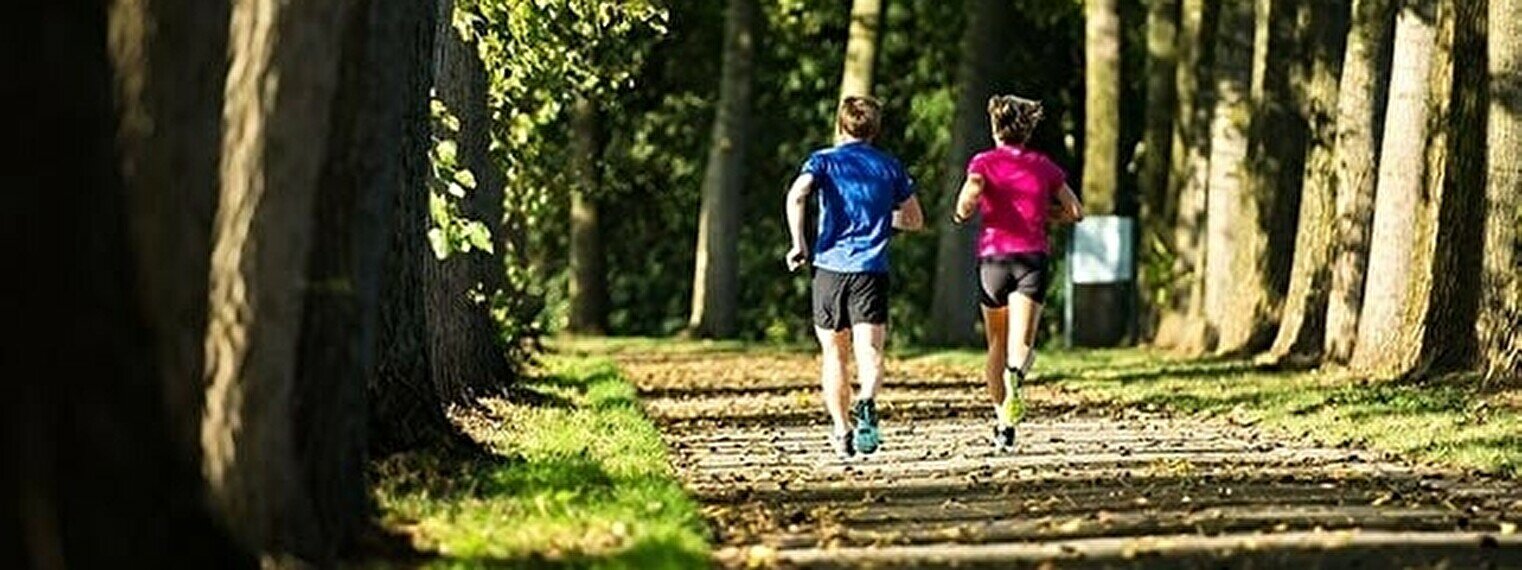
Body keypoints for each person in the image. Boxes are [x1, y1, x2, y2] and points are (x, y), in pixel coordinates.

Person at [784, 95, 924, 459]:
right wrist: (882, 219)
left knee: (834, 354)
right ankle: (867, 400)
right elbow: (914, 220)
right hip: (870, 271)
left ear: (840, 125)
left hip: (829, 269)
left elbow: (797, 195)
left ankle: (842, 431)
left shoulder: (823, 161)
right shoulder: (890, 166)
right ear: (874, 130)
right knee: (870, 351)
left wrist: (799, 243)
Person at [952, 94, 1084, 452]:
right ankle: (1017, 377)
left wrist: (963, 211)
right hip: (1031, 259)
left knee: (996, 344)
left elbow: (969, 197)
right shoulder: (1043, 165)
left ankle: (1004, 424)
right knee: (1021, 345)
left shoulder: (983, 162)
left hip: (993, 259)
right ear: (1026, 131)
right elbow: (1075, 211)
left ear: (995, 128)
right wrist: (1043, 213)